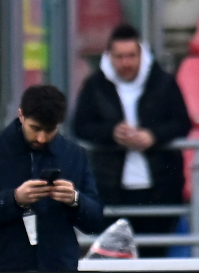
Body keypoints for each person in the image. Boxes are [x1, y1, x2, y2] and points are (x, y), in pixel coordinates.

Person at [0, 84, 105, 272]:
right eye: (35, 128)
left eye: (50, 130)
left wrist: (75, 200)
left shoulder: (74, 154)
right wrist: (14, 199)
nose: (42, 138)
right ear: (21, 116)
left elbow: (95, 221)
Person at [72, 24, 190, 256]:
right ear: (109, 56)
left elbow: (181, 122)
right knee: (114, 259)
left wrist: (153, 136)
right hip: (111, 190)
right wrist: (112, 133)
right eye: (119, 57)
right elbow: (80, 125)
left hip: (159, 190)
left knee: (155, 258)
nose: (126, 63)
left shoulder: (164, 83)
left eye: (131, 56)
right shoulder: (95, 86)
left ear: (141, 54)